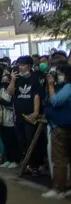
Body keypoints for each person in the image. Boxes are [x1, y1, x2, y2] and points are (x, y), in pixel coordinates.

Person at [10, 55, 44, 174]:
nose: (20, 67)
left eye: (23, 65)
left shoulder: (35, 78)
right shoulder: (17, 78)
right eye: (19, 65)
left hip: (30, 115)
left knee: (31, 139)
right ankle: (27, 163)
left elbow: (36, 95)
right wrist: (13, 80)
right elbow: (10, 92)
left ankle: (35, 164)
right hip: (19, 114)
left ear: (29, 66)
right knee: (22, 140)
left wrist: (35, 111)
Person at [43, 64, 71, 198]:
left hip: (62, 127)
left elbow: (55, 101)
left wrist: (51, 86)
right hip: (61, 125)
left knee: (59, 159)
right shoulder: (63, 87)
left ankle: (59, 188)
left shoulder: (68, 87)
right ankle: (66, 187)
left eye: (59, 73)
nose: (56, 76)